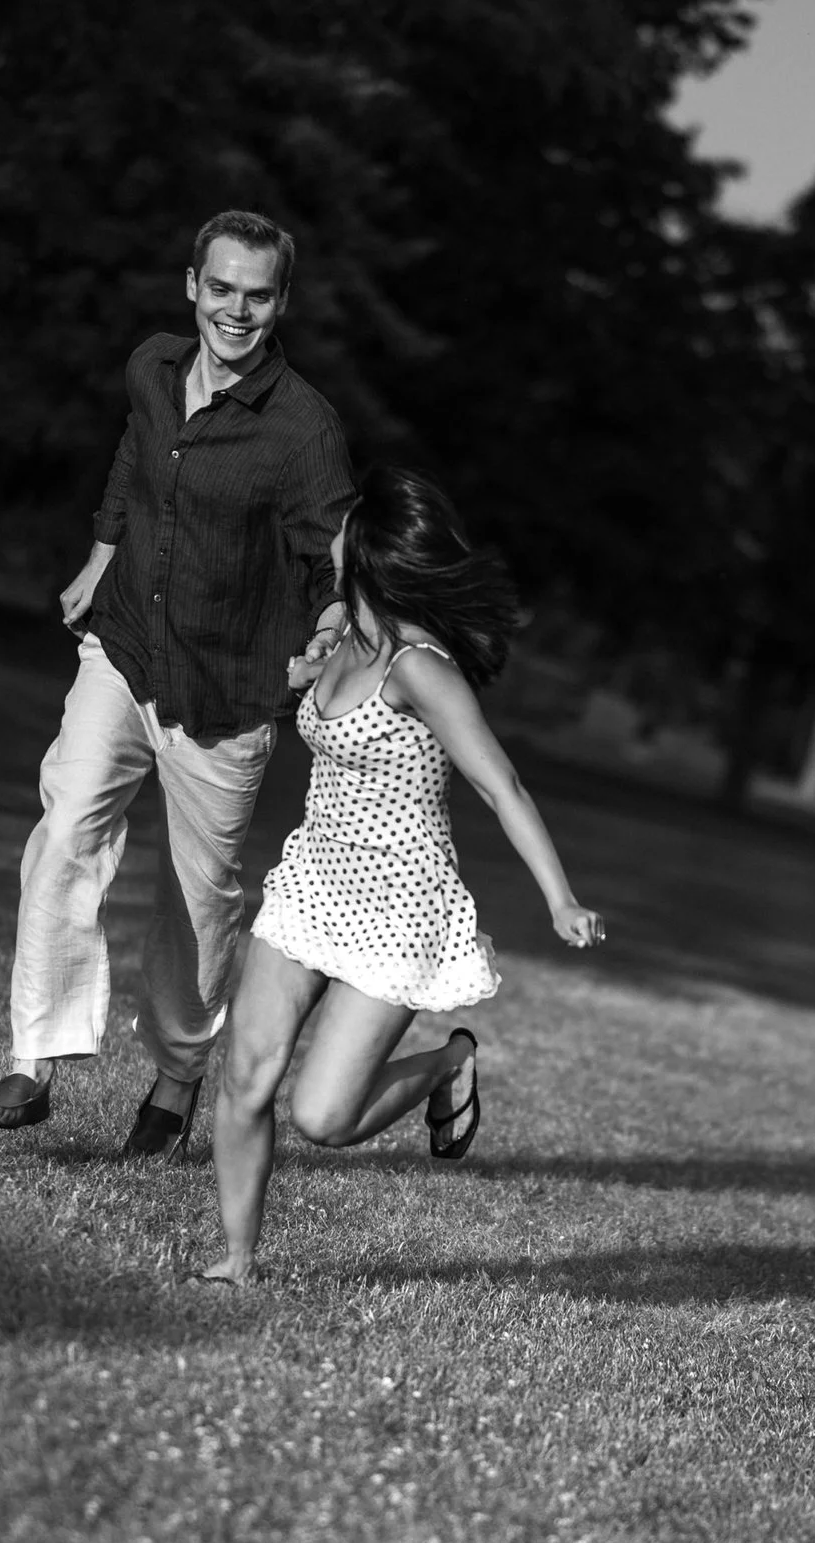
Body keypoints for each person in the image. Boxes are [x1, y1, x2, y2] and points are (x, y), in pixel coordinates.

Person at [0, 210, 354, 1154]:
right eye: (220, 288)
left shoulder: (303, 429)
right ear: (192, 285)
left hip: (228, 687)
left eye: (257, 295)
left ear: (281, 303)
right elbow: (137, 459)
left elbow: (337, 557)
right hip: (126, 643)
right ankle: (35, 1058)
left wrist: (333, 636)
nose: (236, 309)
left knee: (202, 896)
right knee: (67, 823)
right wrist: (101, 554)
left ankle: (179, 1075)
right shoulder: (152, 367)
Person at [196, 466, 604, 1286]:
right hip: (314, 883)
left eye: (347, 523)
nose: (333, 531)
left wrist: (560, 897)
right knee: (245, 1076)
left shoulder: (421, 668)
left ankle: (446, 1064)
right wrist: (303, 673)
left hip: (397, 910)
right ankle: (236, 1261)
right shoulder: (343, 629)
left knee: (322, 1116)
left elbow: (501, 785)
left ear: (371, 550)